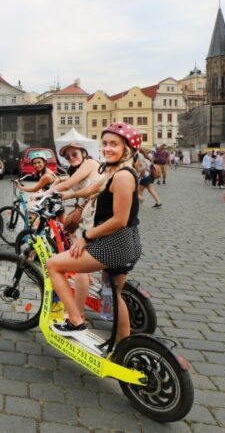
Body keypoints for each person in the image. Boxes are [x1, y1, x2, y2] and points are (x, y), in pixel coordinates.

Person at [46, 122, 143, 339]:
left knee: (53, 265)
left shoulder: (123, 176)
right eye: (105, 143)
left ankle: (76, 321)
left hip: (115, 244)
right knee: (112, 295)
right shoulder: (114, 172)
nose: (107, 148)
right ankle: (123, 346)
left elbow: (119, 220)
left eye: (114, 144)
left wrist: (85, 237)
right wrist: (67, 196)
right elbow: (94, 188)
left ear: (126, 149)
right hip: (126, 243)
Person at [46, 142, 104, 321]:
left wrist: (43, 194)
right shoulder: (78, 169)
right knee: (83, 259)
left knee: (78, 266)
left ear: (83, 152)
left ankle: (77, 314)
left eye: (74, 153)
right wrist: (57, 182)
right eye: (67, 156)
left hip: (94, 218)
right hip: (90, 217)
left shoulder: (89, 163)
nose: (71, 157)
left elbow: (70, 184)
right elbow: (70, 182)